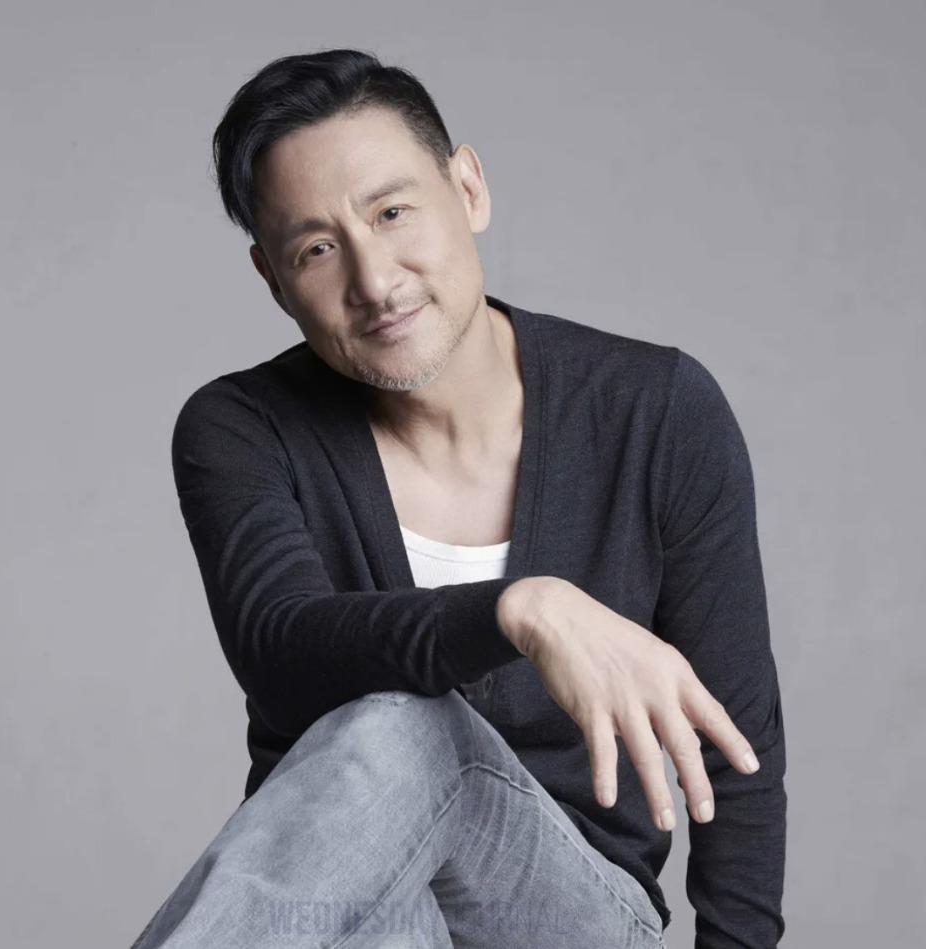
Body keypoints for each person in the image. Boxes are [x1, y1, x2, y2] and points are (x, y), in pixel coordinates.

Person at [130, 48, 786, 949]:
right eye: (317, 249)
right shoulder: (243, 428)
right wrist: (522, 609)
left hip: (574, 919)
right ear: (273, 280)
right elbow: (281, 652)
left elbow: (739, 751)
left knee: (408, 727)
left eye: (392, 212)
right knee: (380, 844)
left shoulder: (655, 412)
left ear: (468, 188)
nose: (375, 281)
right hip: (352, 916)